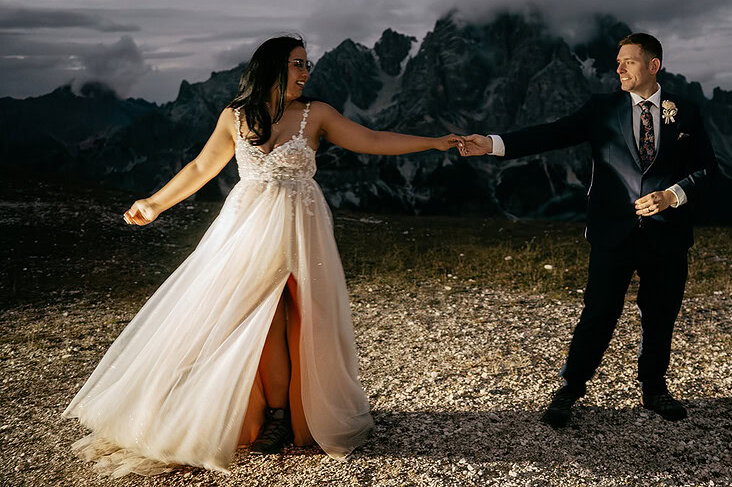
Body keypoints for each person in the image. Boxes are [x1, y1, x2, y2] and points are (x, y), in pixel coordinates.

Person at [63, 35, 463, 476]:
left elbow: (370, 138)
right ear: (271, 66)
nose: (306, 72)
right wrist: (154, 204)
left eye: (307, 64)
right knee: (257, 316)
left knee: (304, 316)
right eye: (297, 63)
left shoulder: (317, 114)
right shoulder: (234, 117)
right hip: (245, 228)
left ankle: (304, 413)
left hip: (301, 228)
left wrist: (434, 143)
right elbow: (201, 167)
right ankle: (273, 415)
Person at [461, 32, 717, 428]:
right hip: (613, 233)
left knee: (661, 314)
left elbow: (707, 170)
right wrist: (492, 144)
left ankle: (655, 389)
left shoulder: (686, 110)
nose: (618, 69)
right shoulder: (601, 108)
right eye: (617, 61)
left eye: (628, 62)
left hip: (668, 234)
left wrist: (672, 196)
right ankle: (569, 389)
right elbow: (551, 133)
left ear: (653, 66)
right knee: (597, 314)